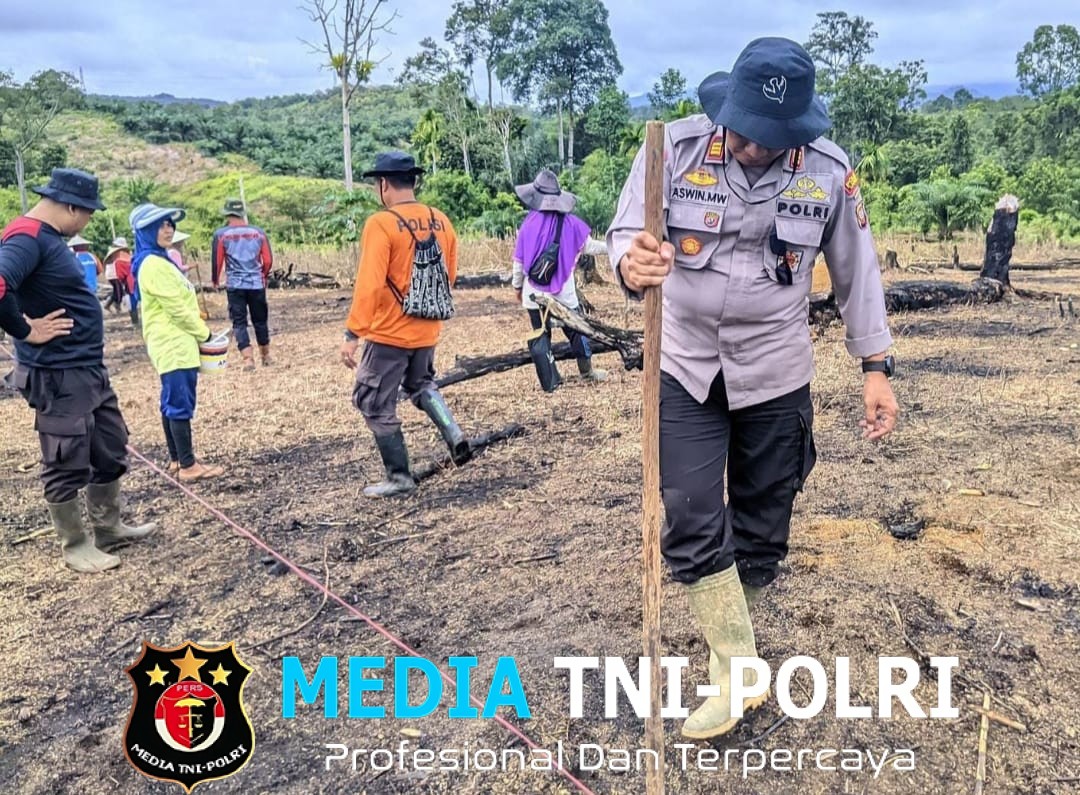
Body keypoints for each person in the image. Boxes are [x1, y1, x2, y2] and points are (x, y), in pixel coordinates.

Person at [606, 37, 900, 740]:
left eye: (764, 140)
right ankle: (742, 668)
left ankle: (728, 663)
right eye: (737, 129)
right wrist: (631, 262)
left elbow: (858, 275)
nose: (744, 145)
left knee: (765, 525)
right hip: (686, 364)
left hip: (775, 371)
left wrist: (875, 367)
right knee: (689, 510)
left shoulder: (828, 174)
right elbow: (621, 236)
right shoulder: (669, 150)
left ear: (794, 133)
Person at [0, 168, 155, 573]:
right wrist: (25, 330)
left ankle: (109, 527)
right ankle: (75, 544)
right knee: (66, 456)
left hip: (86, 368)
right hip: (57, 372)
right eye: (87, 213)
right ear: (71, 206)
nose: (87, 222)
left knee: (109, 443)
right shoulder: (26, 237)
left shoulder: (49, 239)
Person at [339, 151, 470, 498]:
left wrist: (353, 332)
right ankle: (453, 432)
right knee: (421, 382)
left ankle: (399, 477)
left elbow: (369, 282)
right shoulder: (441, 220)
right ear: (413, 181)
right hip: (427, 330)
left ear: (384, 185)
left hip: (388, 334)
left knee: (373, 401)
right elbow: (450, 276)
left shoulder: (380, 224)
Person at [131, 203, 225, 482]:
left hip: (173, 341)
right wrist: (204, 333)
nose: (168, 229)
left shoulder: (158, 260)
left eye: (169, 223)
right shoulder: (154, 265)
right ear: (145, 231)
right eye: (159, 225)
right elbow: (177, 309)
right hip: (174, 342)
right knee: (179, 402)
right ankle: (188, 466)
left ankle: (177, 459)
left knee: (171, 400)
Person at [512, 169, 607, 386]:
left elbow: (518, 263)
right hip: (565, 292)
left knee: (541, 334)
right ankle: (587, 372)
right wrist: (618, 247)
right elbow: (591, 246)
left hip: (533, 292)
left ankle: (550, 380)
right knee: (577, 331)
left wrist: (517, 287)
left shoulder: (528, 223)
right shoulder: (571, 223)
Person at [211, 198, 274, 370]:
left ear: (228, 214)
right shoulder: (259, 233)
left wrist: (215, 280)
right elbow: (267, 260)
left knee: (239, 322)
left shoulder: (221, 234)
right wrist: (263, 275)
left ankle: (248, 359)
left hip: (235, 284)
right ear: (242, 213)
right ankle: (266, 356)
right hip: (256, 283)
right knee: (260, 320)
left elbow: (217, 261)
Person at [102, 237, 129, 314]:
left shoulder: (118, 252)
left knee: (117, 291)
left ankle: (109, 305)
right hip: (113, 274)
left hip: (115, 274)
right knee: (118, 291)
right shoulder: (113, 253)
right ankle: (117, 306)